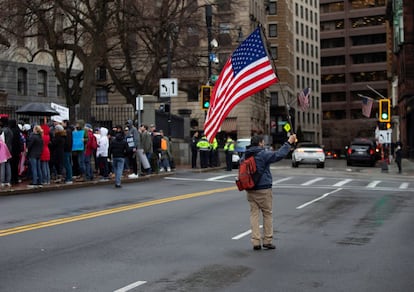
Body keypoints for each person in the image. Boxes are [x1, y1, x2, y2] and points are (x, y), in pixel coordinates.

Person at [244, 133, 297, 250]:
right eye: (263, 142)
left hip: (250, 188)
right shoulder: (262, 154)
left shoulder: (246, 154)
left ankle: (256, 241)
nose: (264, 144)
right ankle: (267, 240)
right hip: (263, 188)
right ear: (260, 143)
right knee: (267, 213)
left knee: (254, 214)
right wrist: (288, 143)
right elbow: (278, 155)